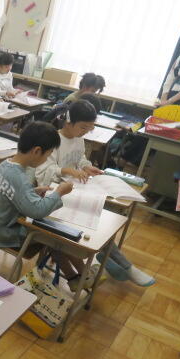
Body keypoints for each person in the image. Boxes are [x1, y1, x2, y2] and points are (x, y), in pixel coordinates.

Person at [35, 100, 155, 286]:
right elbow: (43, 172)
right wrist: (67, 170)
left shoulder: (78, 139)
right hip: (56, 195)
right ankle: (118, 264)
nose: (85, 132)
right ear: (69, 121)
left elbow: (80, 159)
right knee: (95, 222)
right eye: (83, 127)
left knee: (101, 220)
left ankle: (116, 262)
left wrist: (87, 167)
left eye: (89, 128)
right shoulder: (53, 140)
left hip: (75, 191)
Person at [0, 121, 100, 291]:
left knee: (51, 233)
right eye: (48, 155)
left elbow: (14, 194)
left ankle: (75, 277)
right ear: (37, 151)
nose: (46, 160)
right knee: (56, 234)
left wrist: (33, 191)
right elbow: (37, 211)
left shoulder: (5, 165)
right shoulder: (19, 177)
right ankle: (84, 273)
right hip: (7, 233)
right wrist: (59, 192)